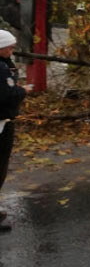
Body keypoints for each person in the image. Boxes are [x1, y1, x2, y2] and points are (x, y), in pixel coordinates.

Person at [0, 30, 28, 233]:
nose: (12, 50)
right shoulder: (1, 69)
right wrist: (23, 91)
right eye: (9, 47)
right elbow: (8, 95)